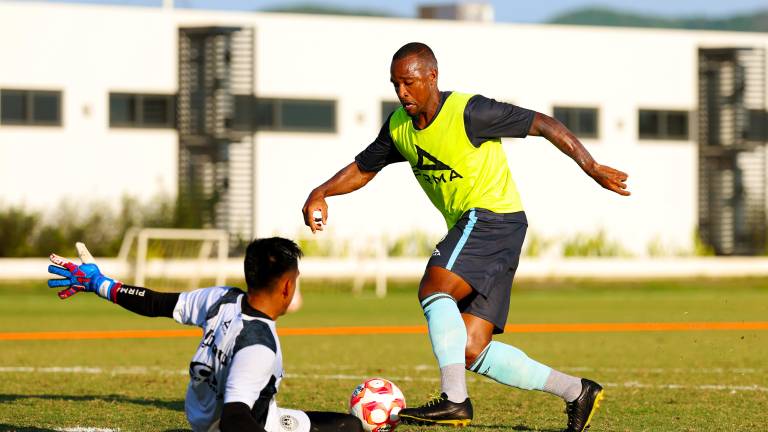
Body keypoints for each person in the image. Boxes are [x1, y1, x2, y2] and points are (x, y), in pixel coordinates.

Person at [301, 42, 630, 432]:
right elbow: (363, 168)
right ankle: (577, 391)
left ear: (432, 77)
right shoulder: (399, 127)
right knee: (471, 349)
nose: (402, 92)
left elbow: (542, 123)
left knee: (434, 288)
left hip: (490, 217)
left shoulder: (470, 112)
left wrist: (590, 165)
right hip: (497, 227)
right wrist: (321, 192)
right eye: (395, 84)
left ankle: (454, 400)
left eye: (409, 82)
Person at [47, 239, 363, 432]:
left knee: (350, 425)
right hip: (239, 426)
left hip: (225, 417)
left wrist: (100, 284)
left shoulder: (221, 298)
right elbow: (235, 419)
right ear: (287, 286)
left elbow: (156, 303)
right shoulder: (259, 345)